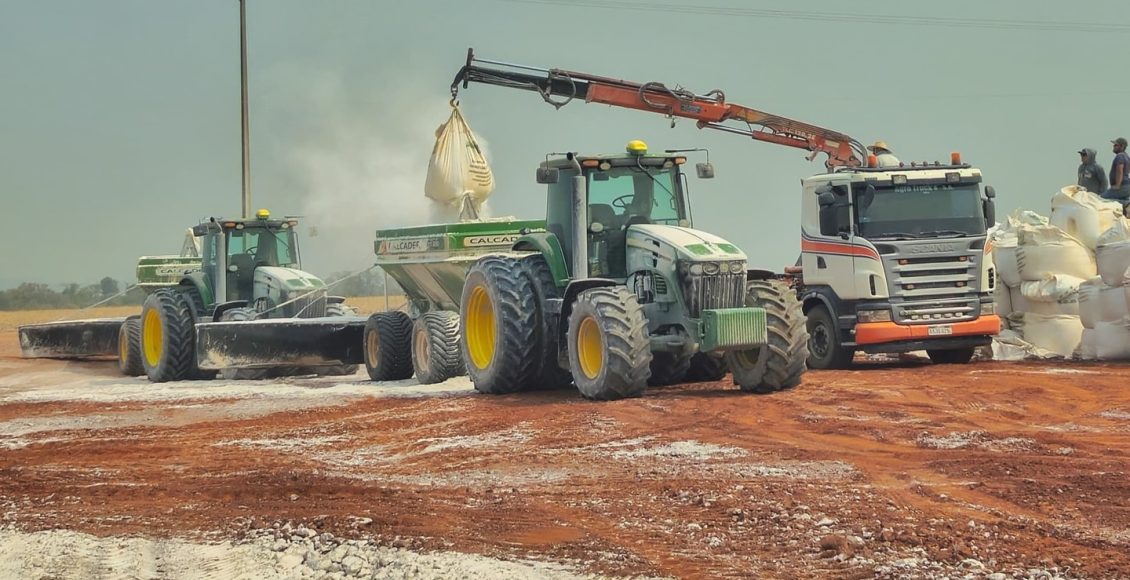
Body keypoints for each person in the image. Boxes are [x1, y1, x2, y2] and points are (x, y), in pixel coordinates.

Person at [1105, 137, 1130, 201]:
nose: (1113, 146)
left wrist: (1117, 185)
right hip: (1127, 186)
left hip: (1122, 186)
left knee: (1102, 198)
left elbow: (1120, 170)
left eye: (1116, 145)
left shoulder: (1120, 156)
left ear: (1122, 146)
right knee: (1120, 202)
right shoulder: (1126, 156)